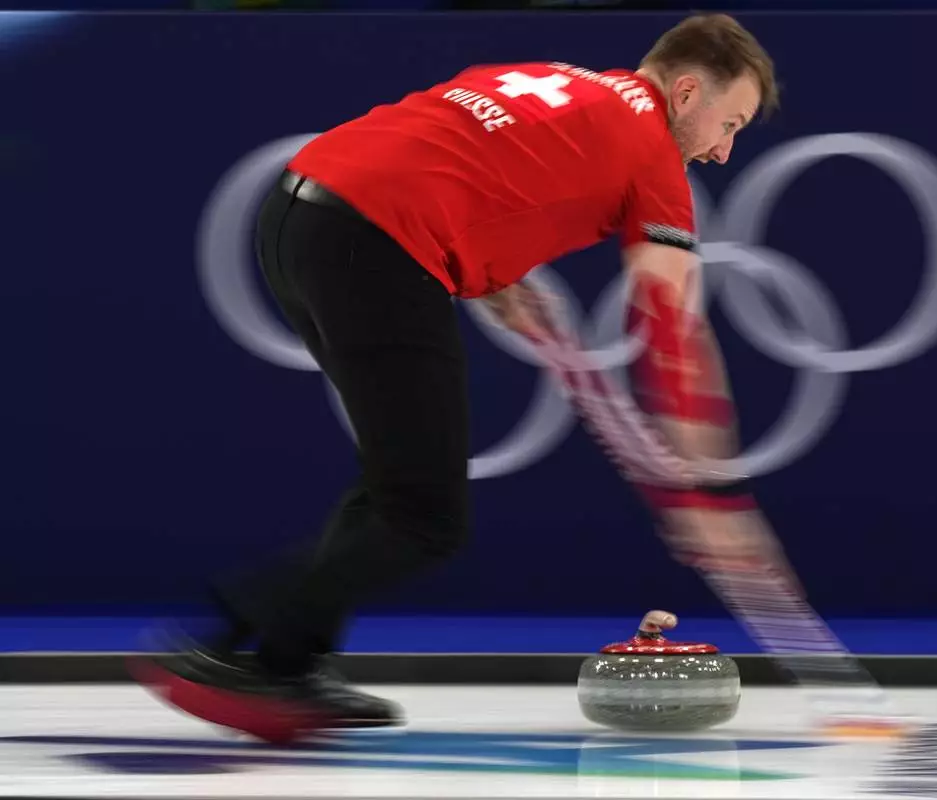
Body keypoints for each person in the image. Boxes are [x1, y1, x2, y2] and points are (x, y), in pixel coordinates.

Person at [132, 12, 779, 742]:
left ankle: (285, 664)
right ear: (686, 92)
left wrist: (494, 278)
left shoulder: (554, 79)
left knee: (393, 483)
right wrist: (704, 494)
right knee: (425, 519)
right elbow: (673, 330)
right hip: (375, 245)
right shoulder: (653, 151)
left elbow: (468, 157)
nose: (724, 152)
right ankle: (219, 635)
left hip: (297, 214)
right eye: (731, 124)